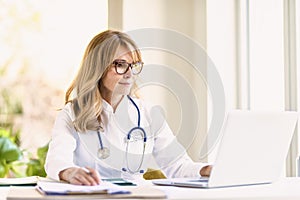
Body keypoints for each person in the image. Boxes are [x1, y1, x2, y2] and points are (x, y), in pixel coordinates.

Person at [45, 30, 212, 186]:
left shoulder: (149, 114)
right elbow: (57, 160)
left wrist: (206, 170)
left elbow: (177, 165)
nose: (129, 73)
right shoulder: (72, 113)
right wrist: (69, 172)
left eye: (133, 65)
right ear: (98, 68)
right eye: (120, 64)